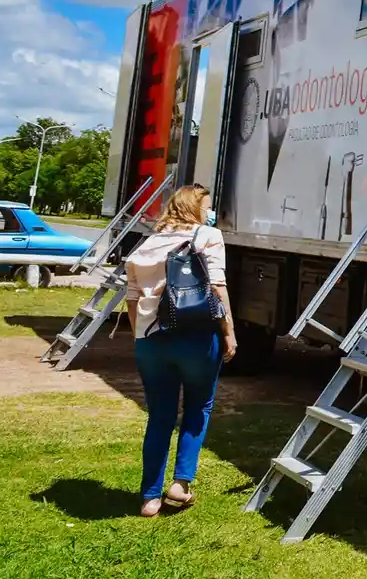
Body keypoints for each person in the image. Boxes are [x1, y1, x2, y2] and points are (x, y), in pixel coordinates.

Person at [123, 183, 237, 517]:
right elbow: (217, 288)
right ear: (195, 209)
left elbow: (132, 300)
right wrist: (229, 333)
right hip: (196, 338)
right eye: (207, 206)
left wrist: (141, 337)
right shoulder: (208, 236)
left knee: (160, 416)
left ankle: (150, 498)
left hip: (150, 342)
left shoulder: (145, 245)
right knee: (199, 406)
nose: (210, 212)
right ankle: (180, 483)